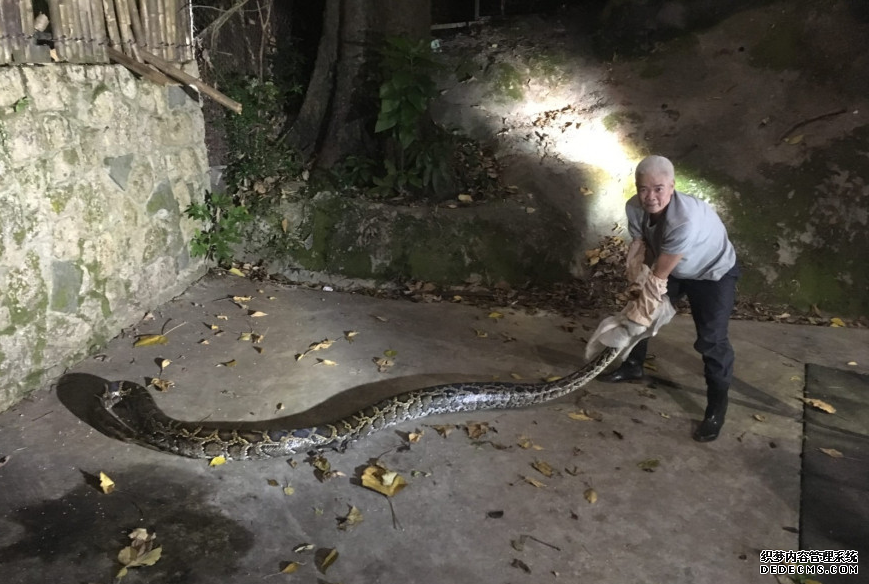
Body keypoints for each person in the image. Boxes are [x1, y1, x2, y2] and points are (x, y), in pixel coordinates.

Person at [599, 155, 739, 442]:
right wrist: (636, 276)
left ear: (672, 186)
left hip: (712, 273)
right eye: (643, 189)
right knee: (640, 312)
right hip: (672, 267)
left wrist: (650, 288)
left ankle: (716, 408)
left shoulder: (684, 219)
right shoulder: (634, 207)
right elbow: (641, 244)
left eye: (658, 188)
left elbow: (661, 273)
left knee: (712, 340)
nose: (650, 197)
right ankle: (633, 365)